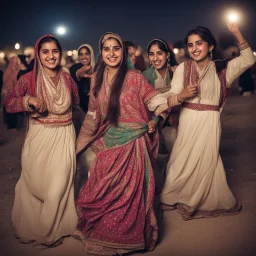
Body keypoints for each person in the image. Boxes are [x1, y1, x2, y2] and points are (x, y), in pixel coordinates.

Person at [73, 32, 169, 255]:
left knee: (128, 196)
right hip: (109, 141)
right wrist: (80, 144)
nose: (111, 53)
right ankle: (107, 236)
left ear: (122, 51)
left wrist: (154, 120)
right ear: (101, 53)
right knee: (104, 190)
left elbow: (158, 102)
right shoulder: (97, 78)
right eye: (106, 49)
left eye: (116, 48)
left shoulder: (135, 78)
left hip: (134, 143)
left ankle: (128, 239)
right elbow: (93, 113)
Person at [160, 23, 255, 220]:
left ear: (210, 46)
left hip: (210, 122)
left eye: (199, 43)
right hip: (187, 120)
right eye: (190, 44)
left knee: (206, 162)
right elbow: (172, 95)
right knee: (180, 161)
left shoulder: (223, 69)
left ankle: (203, 200)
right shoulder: (183, 69)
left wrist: (236, 31)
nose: (194, 48)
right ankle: (173, 196)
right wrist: (183, 94)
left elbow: (248, 59)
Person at [4, 34, 79, 246]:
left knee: (58, 185)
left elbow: (77, 99)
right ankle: (39, 225)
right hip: (39, 139)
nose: (51, 56)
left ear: (60, 53)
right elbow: (9, 103)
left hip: (64, 136)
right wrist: (29, 100)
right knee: (37, 185)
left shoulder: (66, 78)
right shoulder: (28, 79)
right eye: (45, 52)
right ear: (38, 54)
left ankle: (48, 234)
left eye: (55, 51)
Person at [142, 38, 178, 194]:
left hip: (174, 123)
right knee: (156, 163)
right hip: (152, 125)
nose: (155, 58)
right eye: (151, 54)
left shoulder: (176, 72)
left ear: (167, 55)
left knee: (177, 159)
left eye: (159, 53)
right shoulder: (144, 76)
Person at [69, 44, 95, 114]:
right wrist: (79, 74)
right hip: (81, 109)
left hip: (96, 109)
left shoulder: (97, 69)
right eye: (81, 54)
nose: (84, 57)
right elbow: (75, 74)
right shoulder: (74, 67)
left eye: (87, 54)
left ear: (91, 54)